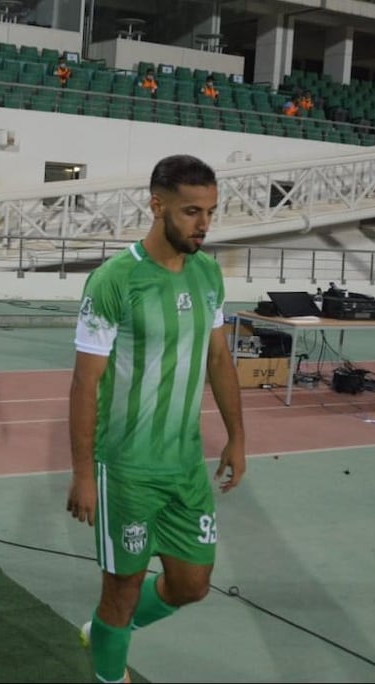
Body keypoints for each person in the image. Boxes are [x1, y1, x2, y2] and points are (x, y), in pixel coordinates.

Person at [67, 154, 245, 682]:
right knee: (120, 591)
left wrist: (237, 436)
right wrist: (82, 474)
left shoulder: (209, 273)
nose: (204, 225)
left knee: (192, 584)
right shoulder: (114, 280)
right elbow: (84, 383)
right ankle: (108, 665)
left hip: (185, 465)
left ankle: (102, 634)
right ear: (157, 205)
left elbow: (218, 358)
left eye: (210, 212)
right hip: (126, 468)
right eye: (191, 212)